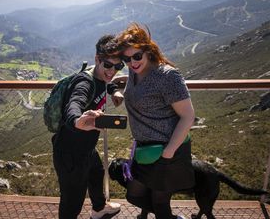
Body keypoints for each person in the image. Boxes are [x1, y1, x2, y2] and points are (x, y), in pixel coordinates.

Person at [114, 23, 195, 219]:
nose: (132, 62)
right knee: (134, 195)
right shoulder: (135, 70)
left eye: (136, 56)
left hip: (167, 150)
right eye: (126, 58)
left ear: (147, 50)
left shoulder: (168, 76)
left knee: (160, 203)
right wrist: (117, 89)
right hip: (144, 151)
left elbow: (188, 116)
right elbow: (138, 86)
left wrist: (168, 153)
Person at [52, 35, 124, 219]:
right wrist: (77, 120)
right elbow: (74, 105)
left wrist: (114, 90)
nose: (112, 71)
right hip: (70, 154)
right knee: (72, 201)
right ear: (97, 59)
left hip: (85, 149)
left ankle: (99, 209)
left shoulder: (99, 76)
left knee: (97, 172)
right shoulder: (84, 83)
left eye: (118, 66)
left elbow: (106, 82)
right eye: (108, 65)